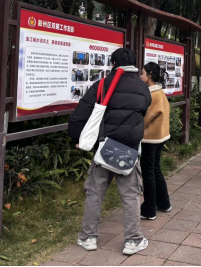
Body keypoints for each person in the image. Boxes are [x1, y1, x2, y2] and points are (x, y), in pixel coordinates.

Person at [68, 48, 151, 256]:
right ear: (134, 64)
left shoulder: (103, 84)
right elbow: (142, 111)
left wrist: (77, 137)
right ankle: (133, 240)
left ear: (114, 63)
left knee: (95, 193)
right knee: (130, 196)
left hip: (104, 148)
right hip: (129, 150)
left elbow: (81, 113)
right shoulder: (143, 88)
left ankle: (88, 238)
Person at [139, 62, 172, 221]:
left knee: (148, 173)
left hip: (150, 138)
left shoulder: (152, 95)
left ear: (150, 75)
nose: (141, 76)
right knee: (155, 169)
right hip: (160, 136)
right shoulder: (160, 92)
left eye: (143, 73)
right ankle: (164, 203)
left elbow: (144, 118)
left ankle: (149, 210)